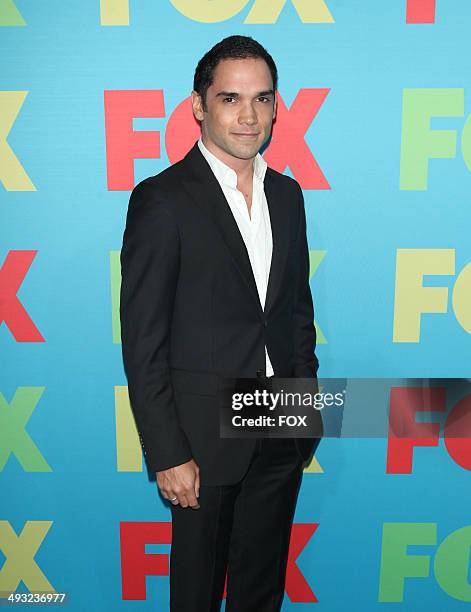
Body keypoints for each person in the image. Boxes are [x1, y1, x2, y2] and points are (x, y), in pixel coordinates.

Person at [120, 34, 322, 612]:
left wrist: (303, 407)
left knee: (261, 591)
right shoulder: (162, 199)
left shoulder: (287, 196)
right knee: (198, 594)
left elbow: (295, 312)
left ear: (278, 106)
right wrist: (166, 451)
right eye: (231, 98)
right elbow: (144, 339)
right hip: (202, 437)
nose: (248, 115)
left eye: (262, 98)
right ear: (198, 105)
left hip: (279, 422)